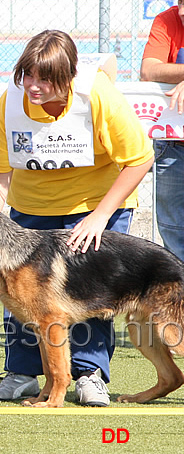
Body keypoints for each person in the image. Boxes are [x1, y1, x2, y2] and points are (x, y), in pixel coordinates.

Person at [0, 30, 154, 406]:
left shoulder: (99, 94)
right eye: (27, 75)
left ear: (68, 78)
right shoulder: (11, 102)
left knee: (91, 298)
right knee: (22, 300)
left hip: (96, 205)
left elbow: (140, 159)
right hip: (31, 212)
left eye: (44, 79)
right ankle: (22, 373)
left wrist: (100, 217)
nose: (32, 86)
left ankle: (89, 375)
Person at [141, 0, 184, 262]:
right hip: (172, 144)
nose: (181, 10)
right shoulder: (166, 20)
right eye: (180, 1)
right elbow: (148, 70)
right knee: (174, 236)